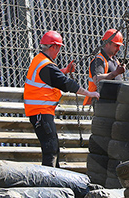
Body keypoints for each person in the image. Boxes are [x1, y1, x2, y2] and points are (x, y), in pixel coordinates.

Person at [24, 30, 99, 167]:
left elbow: (51, 78)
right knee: (51, 149)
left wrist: (65, 70)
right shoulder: (46, 66)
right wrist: (89, 93)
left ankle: (53, 180)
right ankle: (49, 183)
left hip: (39, 112)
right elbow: (66, 83)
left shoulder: (40, 61)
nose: (59, 51)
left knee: (53, 148)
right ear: (53, 47)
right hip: (41, 112)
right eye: (58, 48)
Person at [83, 29, 126, 105]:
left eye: (119, 46)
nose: (118, 49)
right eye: (116, 45)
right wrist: (116, 72)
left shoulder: (115, 61)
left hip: (114, 101)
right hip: (102, 102)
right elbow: (97, 79)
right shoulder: (99, 60)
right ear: (107, 43)